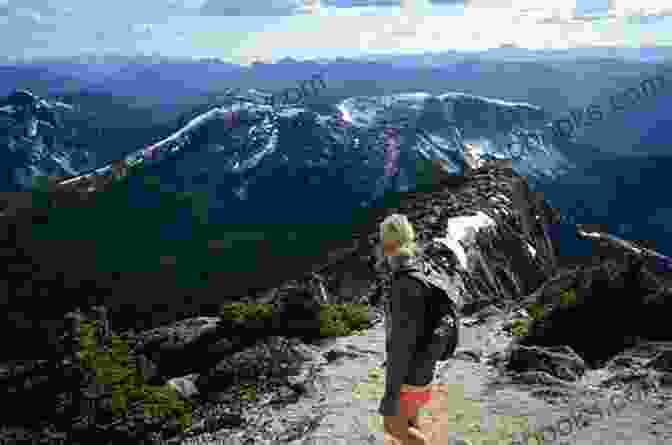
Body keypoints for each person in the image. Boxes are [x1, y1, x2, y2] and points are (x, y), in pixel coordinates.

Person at [377, 213, 460, 445]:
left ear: (389, 245)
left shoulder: (403, 285)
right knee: (410, 425)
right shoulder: (418, 274)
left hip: (410, 376)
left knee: (393, 426)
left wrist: (391, 394)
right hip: (424, 372)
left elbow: (401, 345)